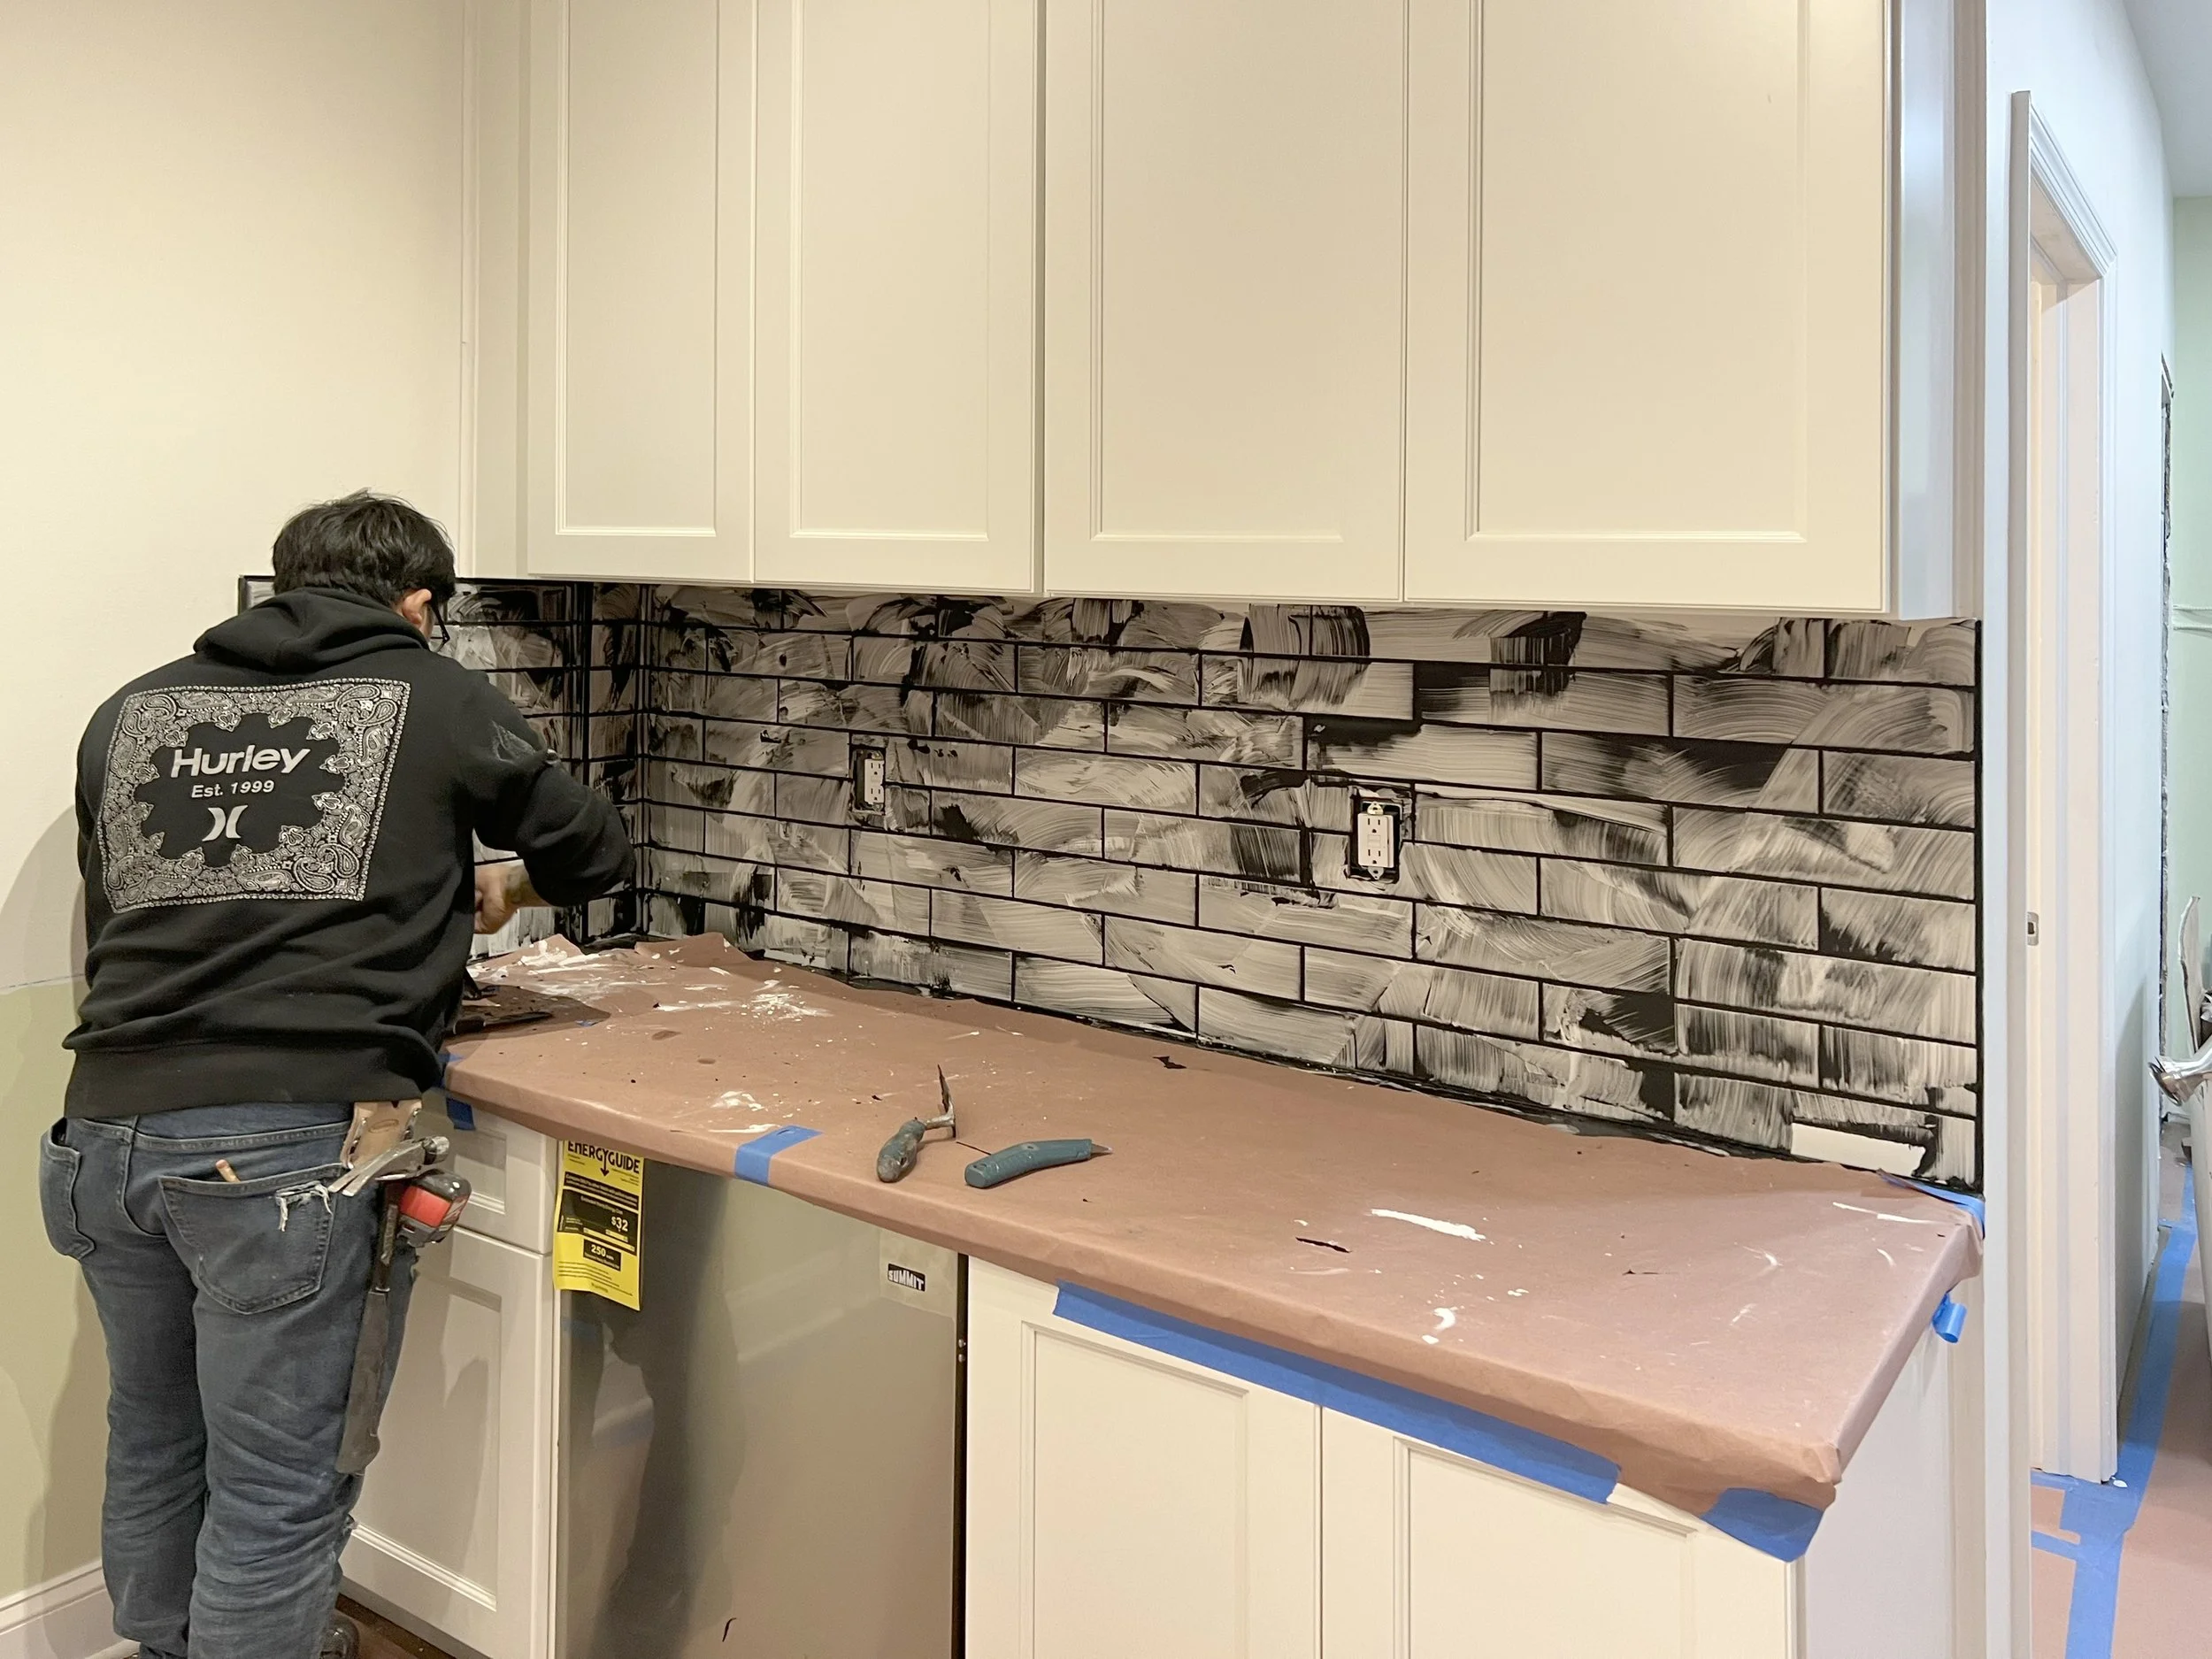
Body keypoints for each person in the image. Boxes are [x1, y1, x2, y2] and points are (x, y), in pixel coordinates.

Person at [37, 491, 632, 1659]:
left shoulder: (133, 709)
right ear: (418, 604)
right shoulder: (430, 690)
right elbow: (591, 848)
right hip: (275, 1161)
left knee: (157, 1438)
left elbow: (143, 912)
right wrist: (498, 890)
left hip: (101, 1140)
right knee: (277, 1488)